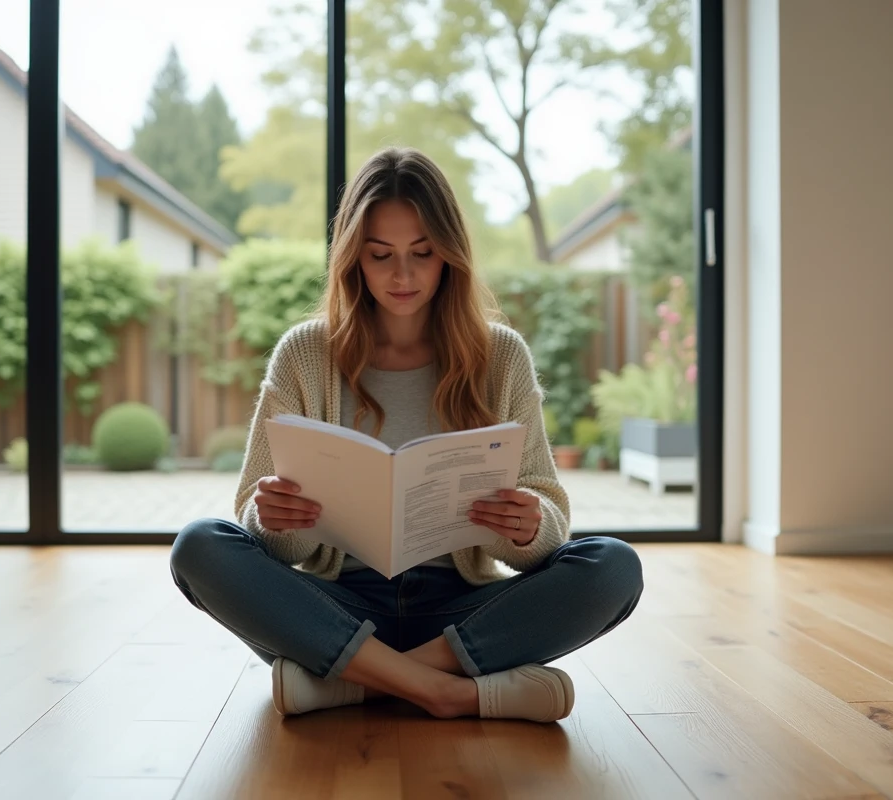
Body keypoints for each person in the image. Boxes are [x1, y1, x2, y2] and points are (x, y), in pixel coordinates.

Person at [169, 146, 643, 724]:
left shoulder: (502, 357)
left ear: (450, 254)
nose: (402, 275)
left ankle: (361, 683)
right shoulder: (303, 354)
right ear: (353, 260)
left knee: (614, 566)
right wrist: (274, 519)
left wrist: (529, 525)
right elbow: (258, 532)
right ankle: (449, 692)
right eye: (380, 255)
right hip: (337, 604)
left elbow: (548, 524)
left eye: (422, 252)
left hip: (460, 611)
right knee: (199, 545)